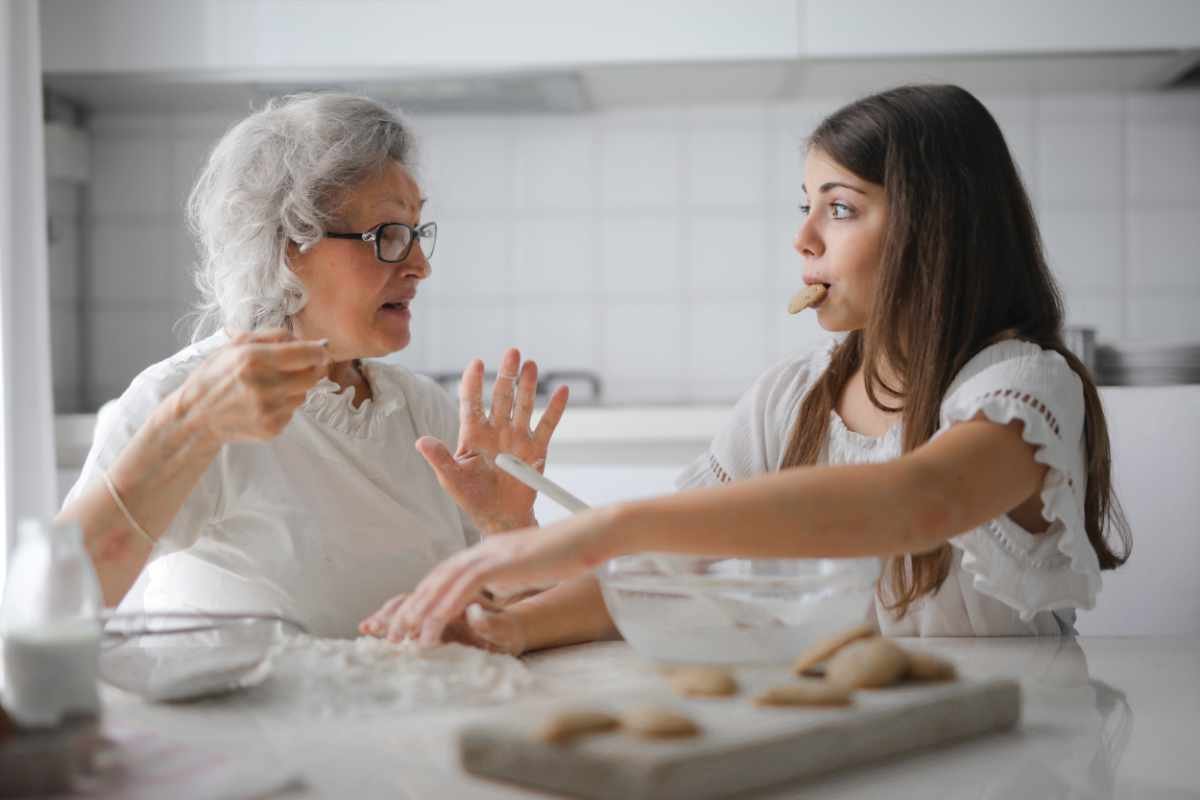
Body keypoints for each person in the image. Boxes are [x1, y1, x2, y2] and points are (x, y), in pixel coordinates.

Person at [363, 84, 1131, 649]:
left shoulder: (1022, 388)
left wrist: (613, 524)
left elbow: (919, 500)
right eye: (805, 205)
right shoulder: (791, 397)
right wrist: (510, 627)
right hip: (853, 738)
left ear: (937, 229)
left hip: (1017, 746)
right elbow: (674, 567)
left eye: (839, 207)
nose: (803, 238)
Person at [58, 93, 567, 637]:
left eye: (417, 233)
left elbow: (504, 624)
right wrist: (188, 426)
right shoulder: (184, 397)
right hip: (247, 723)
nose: (420, 265)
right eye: (388, 236)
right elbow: (58, 597)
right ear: (285, 246)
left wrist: (509, 528)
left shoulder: (422, 411)